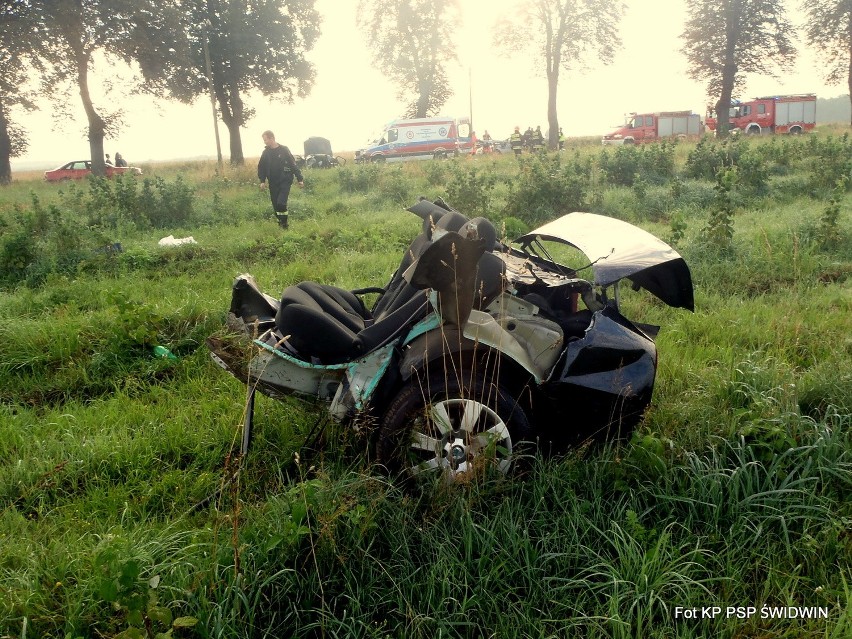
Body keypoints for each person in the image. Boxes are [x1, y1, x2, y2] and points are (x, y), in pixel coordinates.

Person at [257, 130, 304, 229]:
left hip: (285, 180)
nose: (264, 142)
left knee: (281, 203)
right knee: (275, 206)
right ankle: (281, 223)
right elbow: (261, 167)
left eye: (265, 139)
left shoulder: (284, 149)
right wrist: (262, 181)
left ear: (272, 138)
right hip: (273, 182)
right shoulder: (266, 153)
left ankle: (284, 224)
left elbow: (292, 164)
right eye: (264, 140)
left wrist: (300, 179)